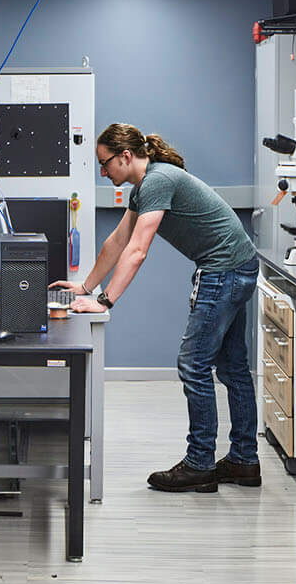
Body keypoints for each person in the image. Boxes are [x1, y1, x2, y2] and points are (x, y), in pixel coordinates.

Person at [58, 124, 262, 492]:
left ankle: (200, 463)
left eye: (105, 165)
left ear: (125, 156)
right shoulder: (146, 186)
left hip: (224, 269)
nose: (103, 173)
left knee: (193, 364)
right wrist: (86, 286)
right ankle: (244, 462)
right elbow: (118, 240)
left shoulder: (157, 181)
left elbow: (137, 249)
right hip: (237, 264)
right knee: (232, 367)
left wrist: (105, 300)